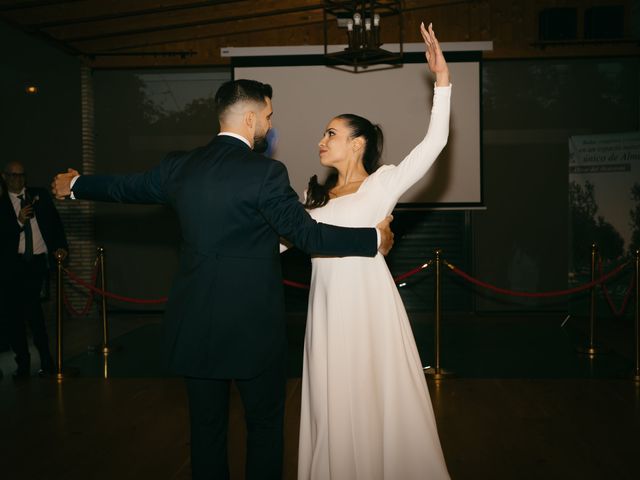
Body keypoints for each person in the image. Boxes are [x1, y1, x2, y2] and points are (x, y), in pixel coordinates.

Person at [51, 79, 394, 480]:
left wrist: (75, 185)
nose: (270, 124)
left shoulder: (180, 166)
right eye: (268, 116)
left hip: (194, 323)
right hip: (254, 329)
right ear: (250, 119)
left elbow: (127, 186)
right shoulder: (266, 174)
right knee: (264, 427)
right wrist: (374, 237)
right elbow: (309, 236)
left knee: (206, 430)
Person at [294, 23, 451, 479]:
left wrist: (442, 81)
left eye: (332, 133)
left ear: (357, 142)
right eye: (322, 134)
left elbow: (434, 144)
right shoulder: (314, 200)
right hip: (323, 311)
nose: (321, 140)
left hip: (368, 308)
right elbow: (276, 240)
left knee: (370, 394)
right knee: (331, 398)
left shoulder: (382, 185)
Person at [1, 161, 68, 379]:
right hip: (12, 265)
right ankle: (23, 363)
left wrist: (61, 249)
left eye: (21, 175)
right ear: (4, 176)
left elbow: (55, 225)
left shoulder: (39, 196)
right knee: (14, 316)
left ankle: (46, 360)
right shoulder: (2, 204)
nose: (17, 179)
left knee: (33, 311)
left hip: (36, 262)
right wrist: (19, 222)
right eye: (12, 175)